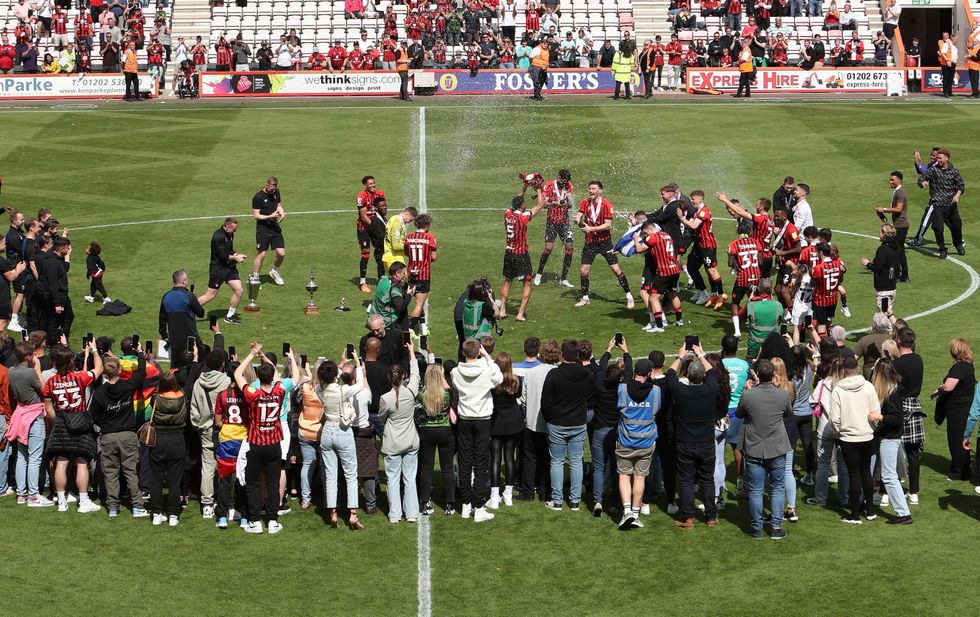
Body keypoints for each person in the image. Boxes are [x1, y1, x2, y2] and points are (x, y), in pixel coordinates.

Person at [663, 343, 720, 528]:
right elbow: (713, 372)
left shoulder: (681, 391)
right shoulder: (710, 389)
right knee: (707, 478)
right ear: (702, 376)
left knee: (687, 480)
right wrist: (701, 354)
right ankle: (711, 516)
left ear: (688, 375)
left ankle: (687, 517)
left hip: (685, 442)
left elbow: (670, 375)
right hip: (705, 442)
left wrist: (680, 356)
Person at [42, 342, 103, 514]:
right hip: (80, 422)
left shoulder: (50, 382)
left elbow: (48, 408)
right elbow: (99, 368)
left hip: (61, 422)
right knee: (82, 463)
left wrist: (59, 421)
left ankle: (62, 501)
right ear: (70, 361)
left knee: (61, 462)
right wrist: (95, 350)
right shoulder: (80, 377)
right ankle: (83, 501)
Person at [233, 343, 286, 534]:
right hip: (274, 444)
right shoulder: (279, 392)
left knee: (253, 483)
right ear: (272, 376)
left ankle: (255, 521)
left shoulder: (253, 394)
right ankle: (272, 520)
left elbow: (238, 374)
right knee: (272, 484)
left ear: (257, 376)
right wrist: (264, 356)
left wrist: (252, 354)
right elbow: (278, 376)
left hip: (256, 444)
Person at [736, 359, 792, 539]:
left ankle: (757, 528)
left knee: (756, 490)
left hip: (754, 448)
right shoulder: (782, 395)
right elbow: (788, 412)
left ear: (758, 375)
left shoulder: (748, 395)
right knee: (777, 488)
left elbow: (739, 414)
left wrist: (747, 391)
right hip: (776, 448)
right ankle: (775, 527)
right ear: (773, 375)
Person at [90, 353, 150, 518]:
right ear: (120, 372)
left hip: (108, 437)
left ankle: (112, 508)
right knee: (131, 472)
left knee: (111, 473)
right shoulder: (126, 386)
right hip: (127, 436)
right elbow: (140, 374)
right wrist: (141, 356)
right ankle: (137, 506)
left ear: (105, 374)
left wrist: (106, 424)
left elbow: (94, 416)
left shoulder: (100, 393)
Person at [451, 339, 503, 521]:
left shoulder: (455, 372)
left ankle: (466, 504)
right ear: (478, 351)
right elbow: (499, 377)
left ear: (464, 352)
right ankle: (478, 506)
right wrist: (487, 356)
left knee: (465, 461)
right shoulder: (487, 370)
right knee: (481, 462)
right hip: (482, 420)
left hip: (465, 419)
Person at [541, 339, 593, 511]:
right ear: (577, 354)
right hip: (576, 422)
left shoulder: (554, 374)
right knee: (576, 461)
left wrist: (550, 418)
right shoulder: (585, 374)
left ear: (562, 353)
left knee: (557, 461)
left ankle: (557, 500)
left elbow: (545, 403)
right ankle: (575, 501)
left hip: (558, 422)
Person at [316, 357, 365, 530]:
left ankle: (333, 514)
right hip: (343, 432)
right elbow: (359, 385)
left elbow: (325, 378)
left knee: (330, 475)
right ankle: (352, 515)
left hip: (328, 431)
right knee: (350, 474)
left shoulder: (318, 389)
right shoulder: (343, 390)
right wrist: (359, 367)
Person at [830, 354, 878, 523]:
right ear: (857, 368)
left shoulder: (838, 390)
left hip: (848, 438)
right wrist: (870, 428)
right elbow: (875, 412)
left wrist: (840, 432)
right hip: (866, 436)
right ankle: (870, 510)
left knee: (854, 474)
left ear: (843, 371)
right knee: (865, 471)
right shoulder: (869, 387)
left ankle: (855, 513)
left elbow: (834, 418)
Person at [615, 357, 661, 530]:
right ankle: (635, 514)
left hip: (626, 440)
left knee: (624, 475)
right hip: (646, 441)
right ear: (649, 373)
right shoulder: (656, 391)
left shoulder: (622, 388)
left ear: (635, 370)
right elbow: (656, 410)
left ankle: (627, 511)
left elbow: (620, 407)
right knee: (640, 477)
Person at [574, 181, 634, 309]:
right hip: (590, 242)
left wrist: (591, 229)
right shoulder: (585, 202)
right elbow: (579, 214)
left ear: (600, 191)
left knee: (616, 269)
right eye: (589, 188)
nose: (590, 191)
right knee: (584, 271)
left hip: (605, 243)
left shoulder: (607, 205)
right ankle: (585, 298)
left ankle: (629, 296)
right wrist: (577, 219)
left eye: (593, 188)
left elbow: (608, 224)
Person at [869, 356, 913, 524]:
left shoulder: (892, 392)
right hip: (882, 436)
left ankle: (903, 513)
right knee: (874, 470)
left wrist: (880, 416)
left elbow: (897, 419)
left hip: (890, 438)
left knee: (888, 475)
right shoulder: (883, 389)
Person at [379, 342, 420, 523]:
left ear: (390, 378)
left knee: (393, 480)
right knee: (409, 479)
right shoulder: (411, 391)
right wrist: (411, 353)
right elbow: (416, 374)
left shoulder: (385, 398)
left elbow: (381, 417)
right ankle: (411, 514)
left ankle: (395, 515)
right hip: (410, 442)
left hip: (393, 443)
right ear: (402, 376)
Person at [592, 335, 632, 517]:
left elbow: (600, 368)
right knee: (618, 468)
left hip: (600, 430)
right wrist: (626, 352)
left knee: (599, 467)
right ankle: (615, 502)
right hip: (617, 432)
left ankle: (598, 500)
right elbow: (629, 373)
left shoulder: (600, 385)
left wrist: (608, 349)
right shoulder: (622, 388)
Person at [189, 348, 230, 519]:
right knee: (227, 465)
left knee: (208, 466)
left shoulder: (199, 382)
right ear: (222, 364)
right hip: (225, 429)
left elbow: (194, 408)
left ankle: (207, 503)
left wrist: (200, 425)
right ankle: (226, 501)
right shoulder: (226, 381)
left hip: (206, 429)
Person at [518, 339, 559, 501]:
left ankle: (528, 492)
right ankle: (545, 492)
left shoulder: (532, 373)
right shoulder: (556, 372)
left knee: (530, 457)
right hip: (550, 423)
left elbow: (524, 399)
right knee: (547, 458)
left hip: (532, 422)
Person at [147, 370, 188, 527]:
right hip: (177, 439)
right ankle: (173, 514)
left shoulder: (155, 398)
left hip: (159, 440)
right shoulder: (183, 397)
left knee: (156, 479)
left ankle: (156, 512)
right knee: (174, 480)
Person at [500, 187, 547, 321]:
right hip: (521, 255)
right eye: (524, 203)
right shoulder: (523, 217)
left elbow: (516, 200)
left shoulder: (507, 214)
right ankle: (520, 314)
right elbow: (540, 204)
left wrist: (524, 186)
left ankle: (502, 309)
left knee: (508, 280)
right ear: (522, 206)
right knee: (527, 282)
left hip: (508, 253)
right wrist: (538, 189)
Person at [933, 338, 974, 481]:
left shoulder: (959, 367)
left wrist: (939, 388)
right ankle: (965, 470)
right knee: (963, 440)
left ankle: (958, 472)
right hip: (964, 408)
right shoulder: (968, 366)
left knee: (956, 441)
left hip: (957, 410)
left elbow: (948, 387)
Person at [417, 363, 456, 515]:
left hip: (427, 431)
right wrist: (443, 377)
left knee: (426, 468)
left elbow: (421, 392)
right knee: (447, 468)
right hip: (445, 430)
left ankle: (425, 502)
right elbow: (450, 390)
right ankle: (450, 504)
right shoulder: (447, 394)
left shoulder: (422, 394)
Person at [632, 220, 683, 333]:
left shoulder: (653, 237)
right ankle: (679, 320)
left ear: (650, 229)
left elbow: (639, 249)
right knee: (672, 294)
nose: (646, 235)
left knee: (653, 298)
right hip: (674, 269)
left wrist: (636, 238)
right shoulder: (666, 235)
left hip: (664, 272)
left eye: (646, 233)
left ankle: (659, 326)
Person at [487, 352, 522, 509]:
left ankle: (495, 496)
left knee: (495, 459)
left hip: (497, 423)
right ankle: (507, 494)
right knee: (509, 458)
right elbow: (518, 395)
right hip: (512, 422)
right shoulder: (516, 381)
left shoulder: (493, 384)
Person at [916, 147, 965, 260]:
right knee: (937, 228)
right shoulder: (933, 170)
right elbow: (921, 179)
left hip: (951, 205)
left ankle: (958, 244)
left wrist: (957, 195)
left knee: (957, 226)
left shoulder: (954, 171)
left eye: (940, 158)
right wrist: (922, 182)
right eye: (937, 158)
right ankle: (942, 249)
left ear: (947, 158)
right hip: (937, 204)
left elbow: (961, 185)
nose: (938, 160)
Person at [198, 218, 246, 324]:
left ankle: (229, 316)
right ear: (227, 227)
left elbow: (229, 250)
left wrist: (237, 254)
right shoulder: (218, 236)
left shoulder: (230, 234)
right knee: (210, 295)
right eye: (234, 229)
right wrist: (235, 258)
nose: (235, 231)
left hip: (229, 267)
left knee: (239, 290)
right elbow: (222, 255)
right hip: (218, 269)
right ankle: (186, 309)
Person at [534, 170, 575, 288]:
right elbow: (543, 204)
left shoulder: (569, 185)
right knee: (548, 249)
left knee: (570, 247)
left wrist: (568, 200)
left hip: (564, 222)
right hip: (552, 222)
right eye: (564, 180)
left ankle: (563, 278)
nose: (566, 182)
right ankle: (539, 273)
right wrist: (555, 203)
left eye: (567, 180)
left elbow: (571, 204)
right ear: (558, 177)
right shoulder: (550, 185)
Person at [720, 334, 750, 498]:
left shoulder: (719, 364)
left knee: (718, 449)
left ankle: (720, 483)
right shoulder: (744, 364)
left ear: (723, 348)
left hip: (722, 410)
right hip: (739, 410)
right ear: (736, 348)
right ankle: (740, 484)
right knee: (738, 448)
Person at [725, 219, 764, 336]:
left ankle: (737, 331)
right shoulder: (756, 242)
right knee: (754, 300)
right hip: (756, 275)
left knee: (735, 302)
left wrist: (730, 256)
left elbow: (730, 264)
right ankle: (755, 325)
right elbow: (761, 262)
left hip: (743, 277)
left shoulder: (734, 244)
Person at [159, 270, 205, 359]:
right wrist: (194, 301)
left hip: (174, 341)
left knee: (176, 368)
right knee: (197, 366)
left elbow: (162, 320)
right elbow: (201, 313)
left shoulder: (165, 297)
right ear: (184, 281)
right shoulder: (189, 296)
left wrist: (164, 336)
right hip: (191, 341)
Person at [37, 236, 73, 348]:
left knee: (68, 317)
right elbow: (52, 284)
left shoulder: (56, 258)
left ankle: (59, 341)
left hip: (60, 295)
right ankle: (55, 344)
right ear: (61, 249)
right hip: (57, 296)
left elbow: (64, 269)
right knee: (54, 321)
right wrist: (57, 303)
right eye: (67, 248)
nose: (69, 249)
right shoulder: (52, 262)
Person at [250, 177, 286, 286]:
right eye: (270, 189)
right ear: (266, 185)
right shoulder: (258, 197)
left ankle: (275, 271)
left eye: (274, 189)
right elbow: (256, 216)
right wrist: (269, 216)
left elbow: (278, 205)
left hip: (275, 227)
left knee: (281, 253)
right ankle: (255, 276)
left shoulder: (276, 191)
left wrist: (282, 212)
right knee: (262, 254)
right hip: (263, 229)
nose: (272, 191)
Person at [405, 214, 437, 335]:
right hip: (423, 275)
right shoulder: (429, 238)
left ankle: (423, 325)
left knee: (420, 301)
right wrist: (425, 259)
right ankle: (411, 328)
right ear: (426, 225)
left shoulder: (409, 237)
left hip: (411, 274)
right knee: (419, 303)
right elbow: (434, 257)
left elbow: (406, 252)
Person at [875, 171, 909, 282]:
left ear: (899, 180)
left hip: (900, 226)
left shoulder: (900, 193)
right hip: (900, 224)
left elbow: (899, 209)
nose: (890, 181)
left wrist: (883, 209)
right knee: (900, 251)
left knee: (898, 251)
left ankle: (900, 275)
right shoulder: (898, 191)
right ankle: (904, 275)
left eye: (892, 180)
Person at [355, 176, 388, 291]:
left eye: (374, 183)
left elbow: (382, 210)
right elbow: (363, 216)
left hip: (376, 228)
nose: (373, 185)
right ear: (365, 185)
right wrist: (374, 226)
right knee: (365, 254)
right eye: (370, 184)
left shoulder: (380, 194)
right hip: (364, 228)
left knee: (382, 252)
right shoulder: (361, 196)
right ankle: (362, 282)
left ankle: (382, 279)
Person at [367, 262, 413, 331]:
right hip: (384, 324)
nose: (404, 275)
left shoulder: (383, 279)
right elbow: (401, 306)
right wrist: (409, 295)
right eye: (403, 273)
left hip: (374, 317)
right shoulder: (393, 290)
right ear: (397, 274)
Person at [744, 279, 781, 361]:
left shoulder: (751, 305)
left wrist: (750, 299)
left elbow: (740, 317)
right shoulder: (778, 306)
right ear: (771, 290)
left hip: (754, 346)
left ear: (759, 290)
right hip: (773, 346)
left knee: (752, 369)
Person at [938, 31, 956, 98]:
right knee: (946, 78)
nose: (944, 36)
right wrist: (947, 60)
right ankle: (946, 92)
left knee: (951, 78)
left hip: (952, 63)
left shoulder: (951, 44)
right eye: (944, 35)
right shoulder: (945, 43)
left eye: (946, 35)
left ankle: (949, 91)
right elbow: (942, 52)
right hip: (946, 63)